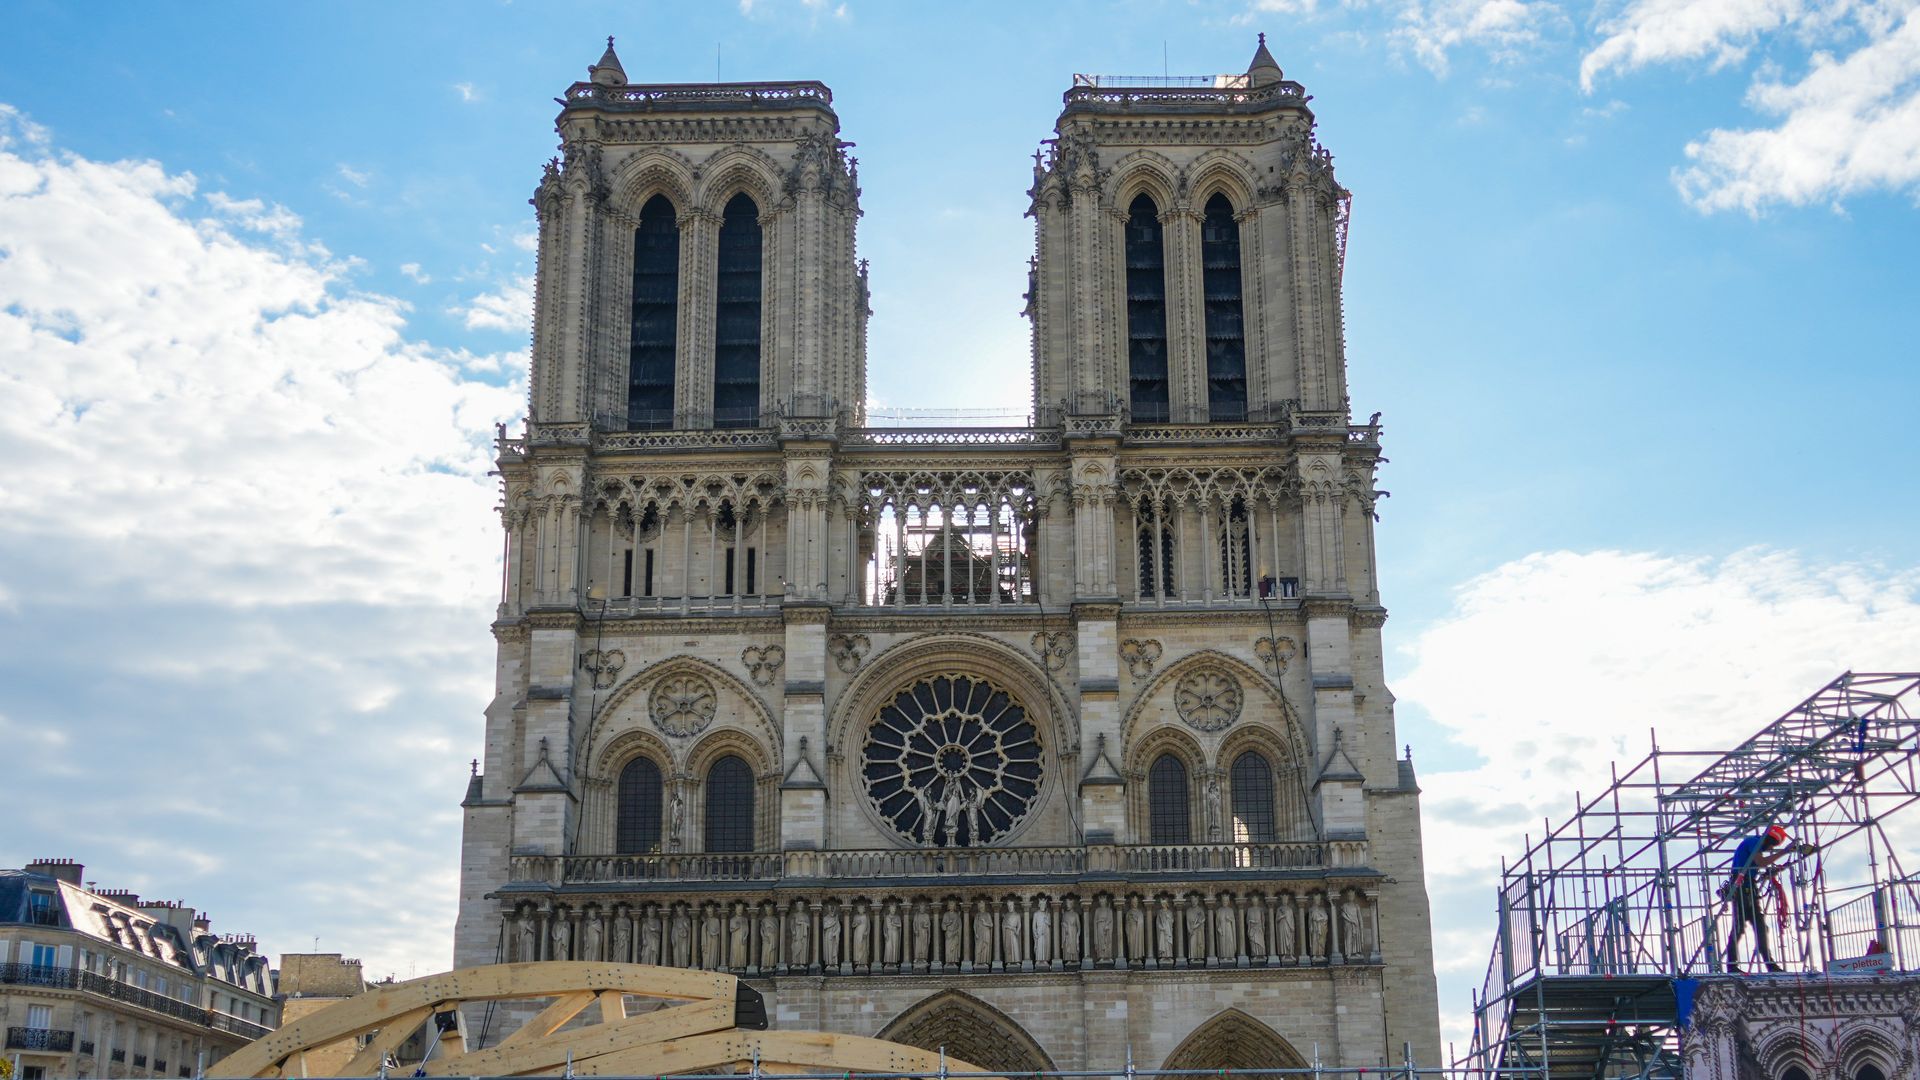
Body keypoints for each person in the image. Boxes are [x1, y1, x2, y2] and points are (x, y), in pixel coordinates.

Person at [1722, 824, 1803, 973]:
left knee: (1760, 927)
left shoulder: (1755, 844)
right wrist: (1785, 852)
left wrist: (1770, 872)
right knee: (1739, 928)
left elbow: (1757, 865)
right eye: (1772, 845)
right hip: (1741, 888)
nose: (1770, 849)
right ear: (1769, 840)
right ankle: (1732, 965)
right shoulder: (1753, 842)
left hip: (1748, 887)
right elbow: (1761, 862)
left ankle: (1770, 964)